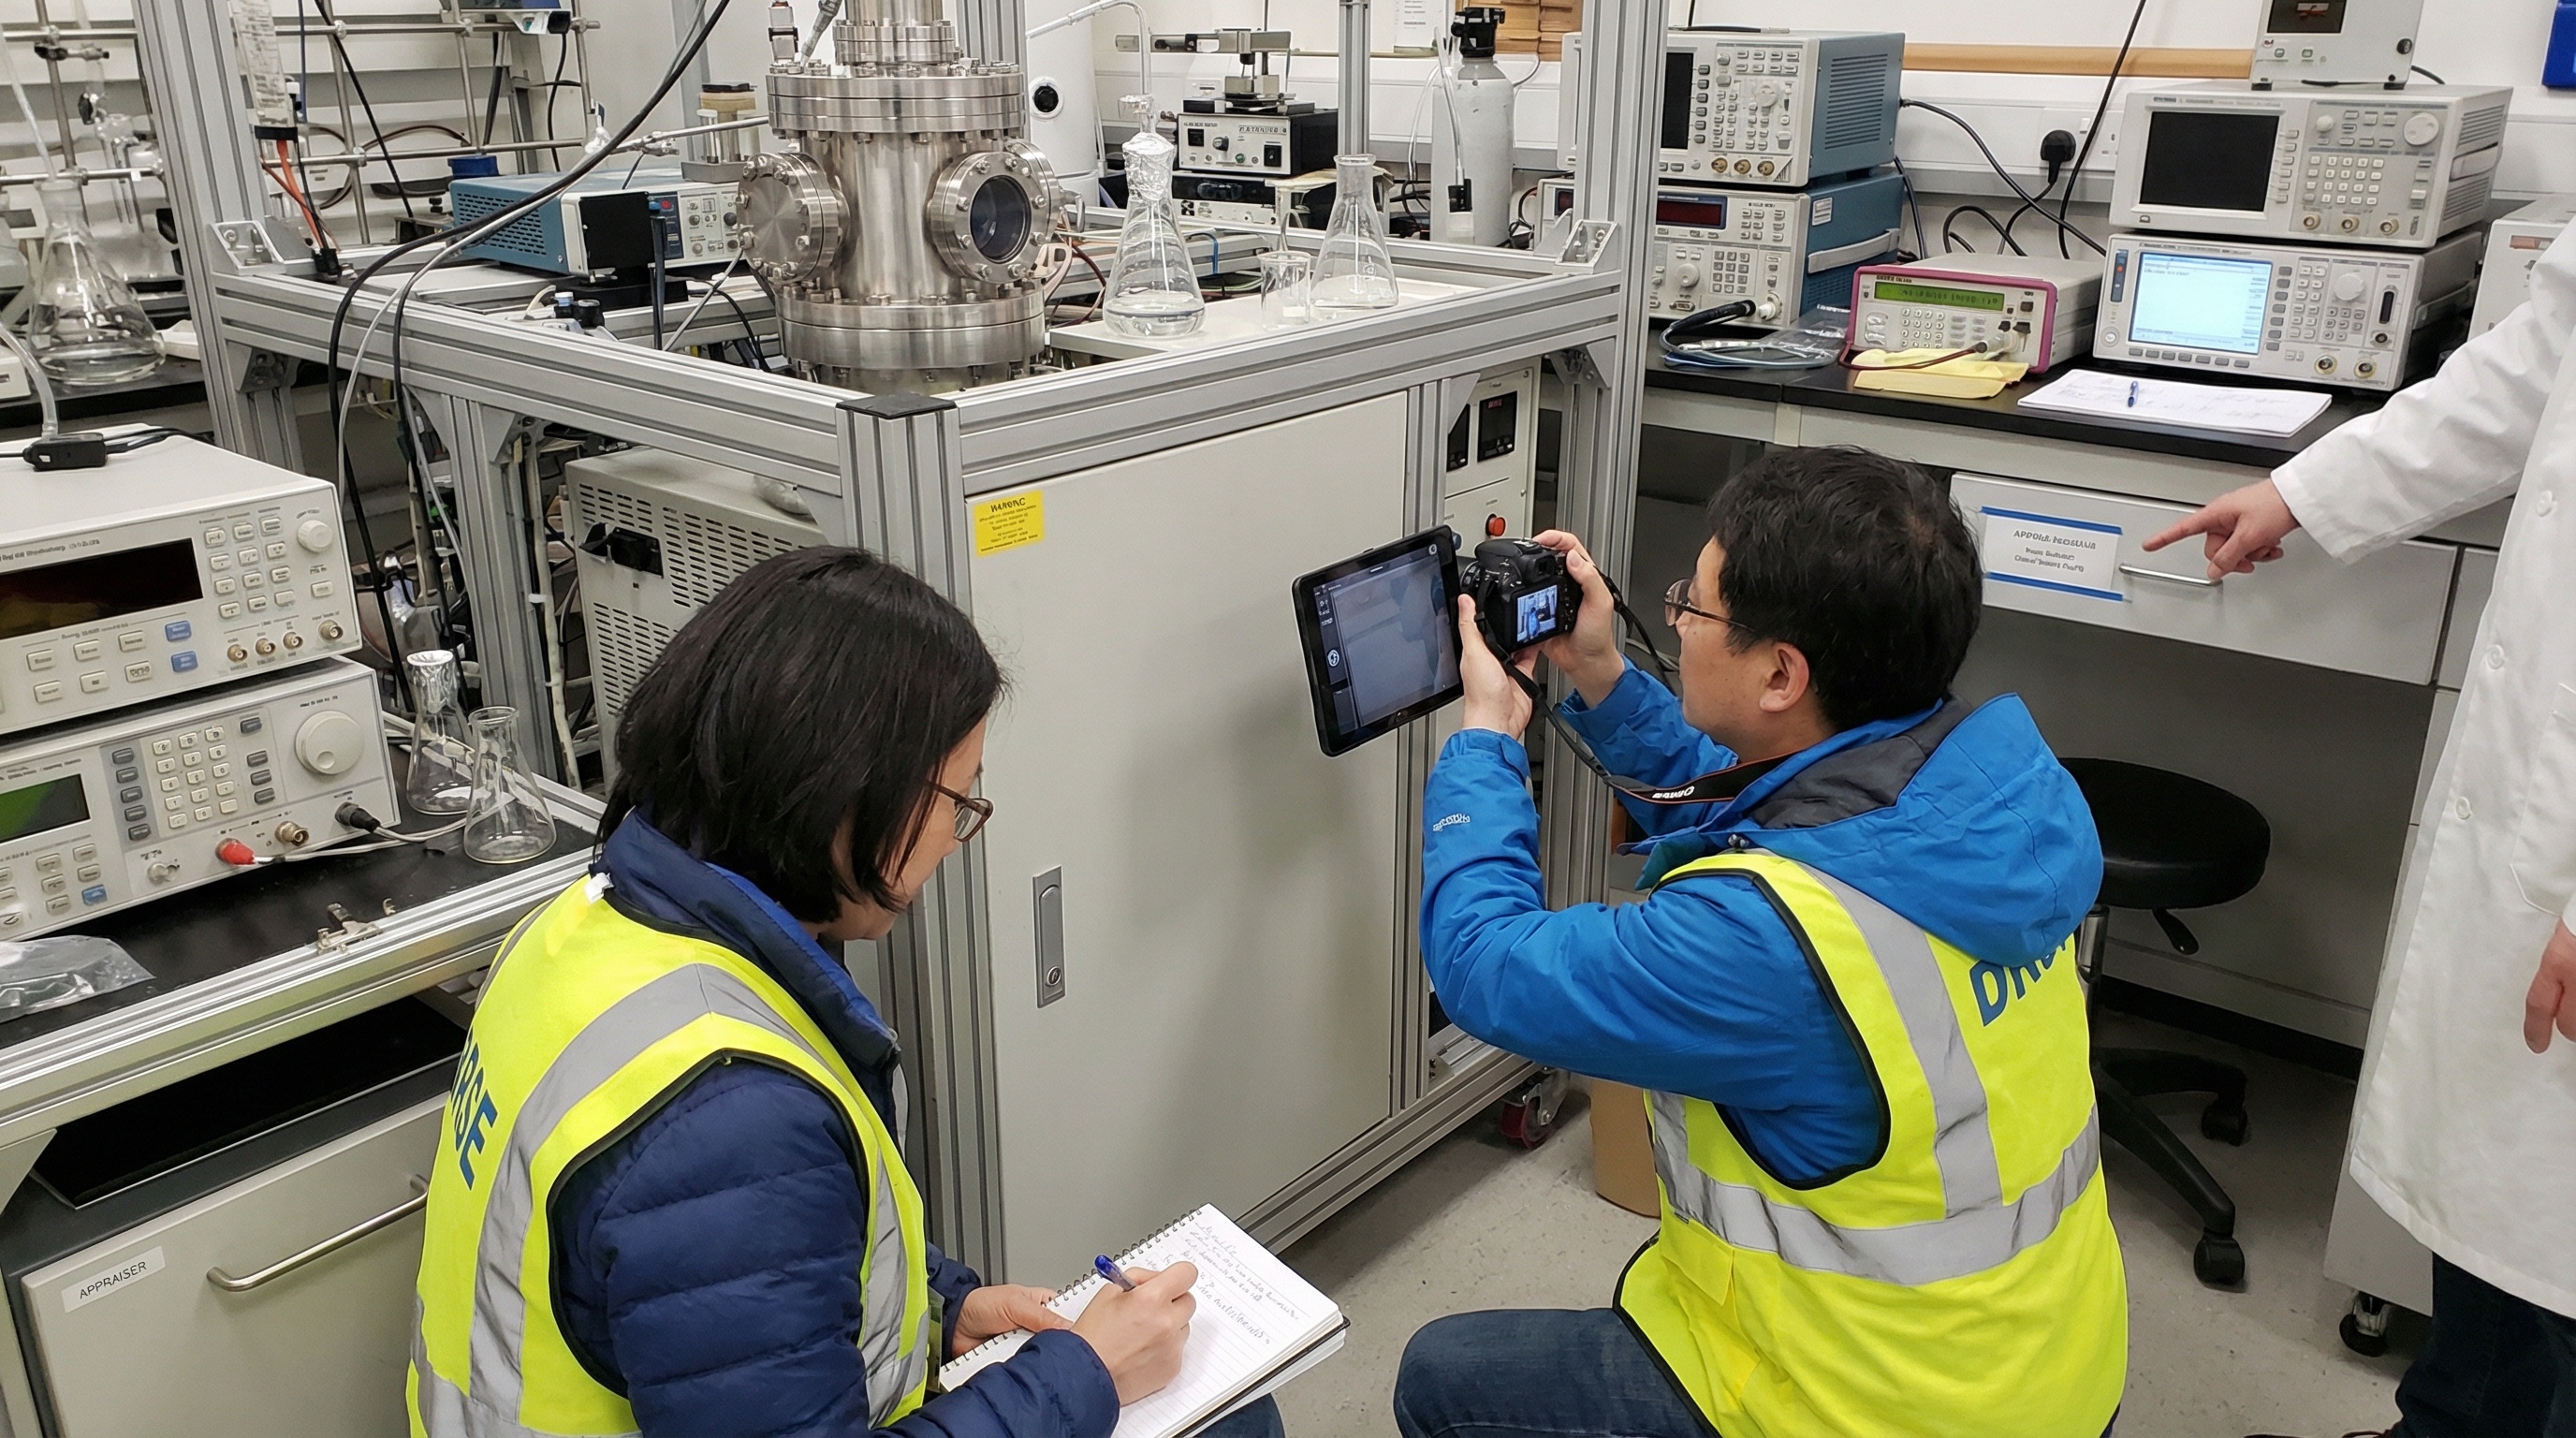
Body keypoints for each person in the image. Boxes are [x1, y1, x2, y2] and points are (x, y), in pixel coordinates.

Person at [406, 547, 1283, 1438]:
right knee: (1234, 1423)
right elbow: (731, 1226)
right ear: (840, 795)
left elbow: (718, 1285)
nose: (955, 838)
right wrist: (1084, 1376)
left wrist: (943, 1309)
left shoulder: (579, 930)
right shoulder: (733, 1122)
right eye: (956, 802)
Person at [1392, 447, 2128, 1438]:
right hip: (2044, 1372)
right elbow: (1776, 799)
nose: (1675, 622)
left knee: (1443, 1379)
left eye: (1691, 606)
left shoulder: (1771, 938)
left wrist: (1484, 742)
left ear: (1781, 671)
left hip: (1869, 1412)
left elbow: (1485, 966)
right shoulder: (2001, 795)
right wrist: (1601, 673)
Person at [2146, 227, 2576, 1435]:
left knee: (2552, 1217)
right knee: (2495, 1166)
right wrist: (2306, 490)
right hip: (2539, 792)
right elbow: (2531, 366)